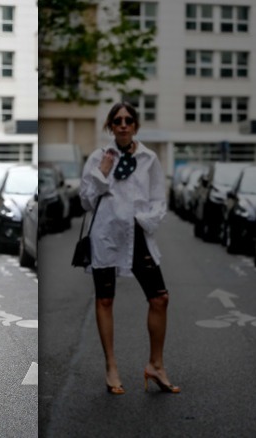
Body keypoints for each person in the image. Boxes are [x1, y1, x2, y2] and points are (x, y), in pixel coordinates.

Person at [79, 102, 180, 395]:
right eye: (117, 120)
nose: (123, 124)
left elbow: (159, 200)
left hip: (137, 236)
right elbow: (85, 201)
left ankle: (156, 365)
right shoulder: (98, 157)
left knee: (160, 298)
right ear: (110, 126)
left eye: (128, 120)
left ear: (135, 125)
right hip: (106, 237)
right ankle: (111, 366)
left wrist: (143, 220)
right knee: (105, 300)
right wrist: (102, 173)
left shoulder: (149, 158)